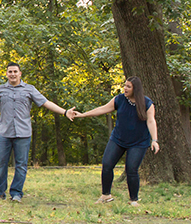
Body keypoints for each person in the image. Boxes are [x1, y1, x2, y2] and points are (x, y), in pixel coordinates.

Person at [0, 63, 74, 202]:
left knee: (21, 165)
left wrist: (65, 112)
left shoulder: (30, 89)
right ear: (6, 74)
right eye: (10, 71)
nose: (12, 74)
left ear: (20, 73)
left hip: (23, 134)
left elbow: (46, 103)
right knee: (0, 164)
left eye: (15, 71)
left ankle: (16, 194)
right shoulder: (0, 89)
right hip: (4, 133)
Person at [68, 76, 158, 206]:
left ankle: (134, 200)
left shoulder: (147, 103)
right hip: (118, 139)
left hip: (138, 142)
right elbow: (102, 109)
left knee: (131, 169)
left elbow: (151, 121)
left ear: (135, 89)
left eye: (128, 87)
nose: (125, 88)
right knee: (107, 164)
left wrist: (154, 140)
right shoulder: (119, 99)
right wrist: (83, 114)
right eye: (125, 85)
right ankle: (106, 195)